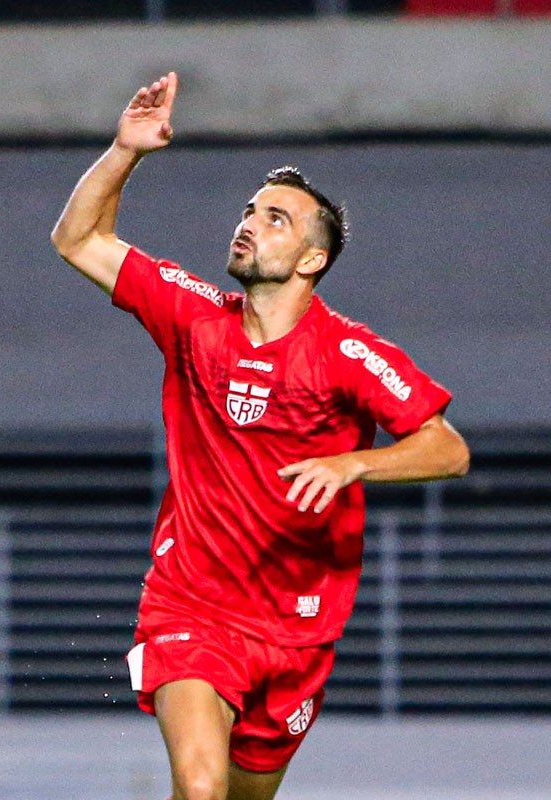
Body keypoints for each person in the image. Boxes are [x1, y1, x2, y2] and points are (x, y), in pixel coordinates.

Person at [50, 72, 471, 800]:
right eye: (250, 210)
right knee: (202, 787)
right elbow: (77, 238)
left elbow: (448, 449)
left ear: (312, 260)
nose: (248, 222)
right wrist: (126, 151)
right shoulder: (193, 314)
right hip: (191, 606)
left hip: (297, 629)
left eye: (276, 218)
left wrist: (353, 463)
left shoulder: (347, 353)